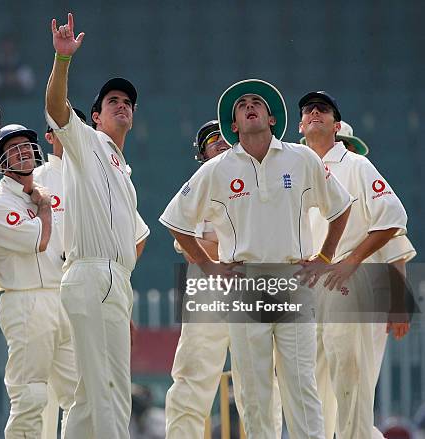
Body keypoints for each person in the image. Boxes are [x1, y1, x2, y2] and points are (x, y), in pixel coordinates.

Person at [160, 78, 354, 439]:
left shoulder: (302, 159)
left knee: (301, 385)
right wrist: (208, 266)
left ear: (271, 118)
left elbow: (340, 208)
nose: (250, 106)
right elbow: (175, 220)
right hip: (245, 284)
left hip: (293, 279)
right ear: (233, 125)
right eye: (242, 105)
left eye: (257, 103)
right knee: (254, 391)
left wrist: (326, 255)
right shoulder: (217, 168)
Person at [45, 12, 150, 438]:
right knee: (109, 389)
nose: (122, 105)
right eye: (113, 102)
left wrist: (119, 280)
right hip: (89, 273)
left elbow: (138, 238)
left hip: (112, 280)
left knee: (91, 394)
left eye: (127, 102)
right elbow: (55, 108)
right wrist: (62, 60)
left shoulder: (124, 171)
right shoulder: (86, 142)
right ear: (96, 116)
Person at [299, 92, 411, 439]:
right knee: (314, 387)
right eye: (309, 110)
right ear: (301, 126)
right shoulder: (298, 171)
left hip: (355, 283)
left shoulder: (357, 166)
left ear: (336, 127)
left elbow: (394, 233)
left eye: (324, 109)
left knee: (352, 382)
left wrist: (399, 301)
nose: (315, 113)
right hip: (311, 290)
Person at [165, 120, 283, 438]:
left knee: (259, 382)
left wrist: (220, 248)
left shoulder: (261, 182)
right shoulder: (199, 184)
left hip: (253, 287)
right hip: (209, 287)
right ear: (201, 154)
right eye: (210, 141)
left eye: (223, 138)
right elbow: (189, 246)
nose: (218, 144)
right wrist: (230, 252)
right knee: (193, 377)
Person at [0, 124, 78, 438]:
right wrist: (44, 205)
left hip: (60, 297)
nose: (24, 151)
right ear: (0, 161)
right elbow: (38, 239)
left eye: (27, 145)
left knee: (81, 396)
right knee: (30, 396)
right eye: (14, 148)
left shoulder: (43, 193)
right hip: (25, 301)